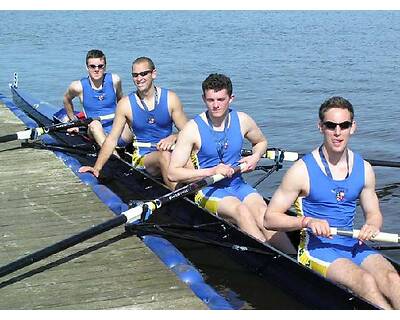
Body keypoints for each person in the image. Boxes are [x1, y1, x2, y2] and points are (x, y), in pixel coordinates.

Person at [264, 96, 400, 309]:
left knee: (394, 280)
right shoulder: (301, 170)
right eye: (331, 126)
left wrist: (373, 225)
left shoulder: (364, 168)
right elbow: (269, 218)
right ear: (321, 127)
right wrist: (306, 222)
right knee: (365, 282)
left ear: (352, 127)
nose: (338, 132)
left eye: (344, 125)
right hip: (318, 248)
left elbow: (373, 212)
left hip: (352, 243)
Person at [167, 73, 295, 253]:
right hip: (208, 189)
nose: (216, 105)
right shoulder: (192, 129)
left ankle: (293, 257)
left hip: (237, 184)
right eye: (210, 100)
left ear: (231, 98)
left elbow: (261, 142)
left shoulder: (242, 120)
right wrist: (211, 171)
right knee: (241, 211)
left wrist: (255, 156)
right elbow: (173, 173)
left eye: (221, 99)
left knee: (264, 213)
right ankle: (269, 257)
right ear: (204, 99)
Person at [79, 56, 188, 190]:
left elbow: (188, 131)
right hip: (144, 156)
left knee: (189, 157)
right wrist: (97, 167)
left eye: (143, 74)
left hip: (169, 150)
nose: (139, 78)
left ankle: (202, 193)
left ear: (154, 73)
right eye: (135, 75)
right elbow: (112, 139)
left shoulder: (171, 98)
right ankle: (181, 197)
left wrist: (173, 137)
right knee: (165, 157)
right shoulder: (125, 104)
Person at [63, 49, 131, 147]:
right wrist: (73, 121)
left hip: (118, 129)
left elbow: (121, 101)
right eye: (92, 66)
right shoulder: (78, 86)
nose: (96, 69)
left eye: (100, 66)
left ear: (105, 66)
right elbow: (66, 100)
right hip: (95, 130)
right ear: (87, 67)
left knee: (137, 118)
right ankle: (113, 155)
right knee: (95, 124)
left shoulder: (115, 80)